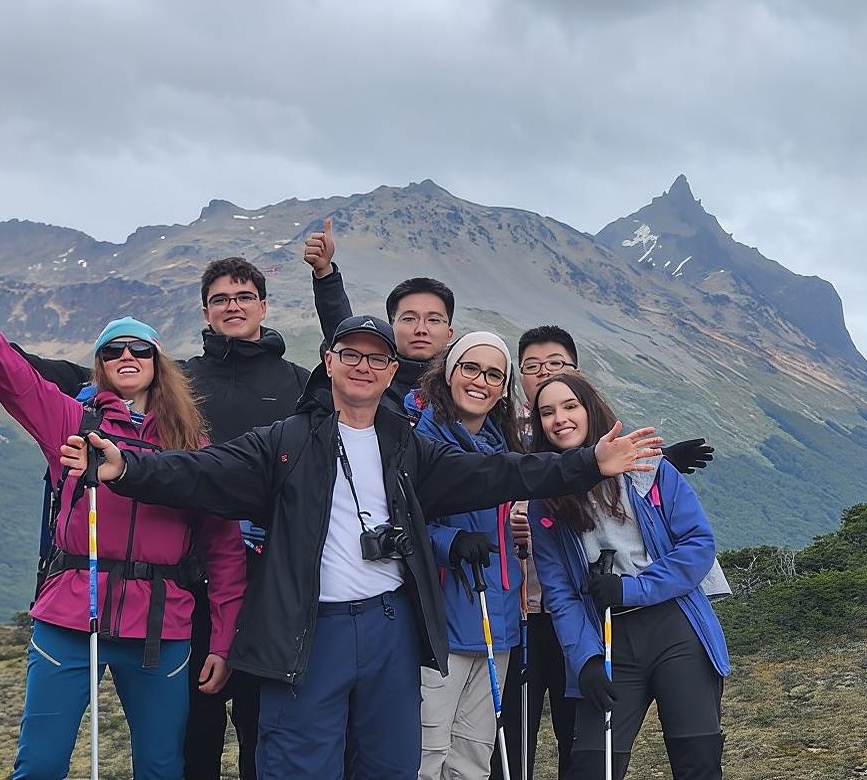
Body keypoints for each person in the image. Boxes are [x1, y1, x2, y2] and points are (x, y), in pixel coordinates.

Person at [58, 313, 664, 780]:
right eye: (351, 354)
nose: (364, 367)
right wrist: (127, 468)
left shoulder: (408, 448)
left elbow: (499, 473)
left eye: (378, 358)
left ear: (392, 371)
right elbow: (202, 471)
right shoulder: (283, 443)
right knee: (300, 764)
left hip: (389, 628)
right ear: (329, 362)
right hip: (308, 631)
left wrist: (589, 463)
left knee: (389, 763)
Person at [0, 220, 351, 780]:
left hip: (166, 621)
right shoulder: (71, 422)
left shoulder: (192, 444)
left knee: (167, 763)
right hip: (74, 613)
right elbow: (13, 374)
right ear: (100, 365)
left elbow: (224, 548)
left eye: (140, 349)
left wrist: (222, 639)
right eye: (113, 350)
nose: (127, 356)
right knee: (43, 764)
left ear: (158, 365)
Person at [493, 325, 717, 780]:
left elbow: (697, 547)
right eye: (547, 412)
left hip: (675, 627)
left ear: (590, 408)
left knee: (697, 760)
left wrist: (632, 589)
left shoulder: (650, 472)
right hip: (607, 636)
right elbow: (560, 593)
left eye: (570, 406)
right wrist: (587, 660)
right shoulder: (546, 502)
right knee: (592, 765)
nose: (560, 419)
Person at [410, 332, 524, 779]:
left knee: (474, 755)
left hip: (497, 620)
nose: (481, 381)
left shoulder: (503, 447)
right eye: (471, 368)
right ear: (449, 373)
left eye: (494, 375)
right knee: (427, 752)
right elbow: (397, 519)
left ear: (503, 389)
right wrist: (449, 541)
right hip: (440, 623)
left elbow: (565, 462)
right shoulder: (419, 440)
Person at [384, 277, 456, 415]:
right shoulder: (369, 382)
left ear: (449, 333)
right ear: (391, 328)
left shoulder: (464, 391)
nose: (421, 329)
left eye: (433, 320)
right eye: (409, 319)